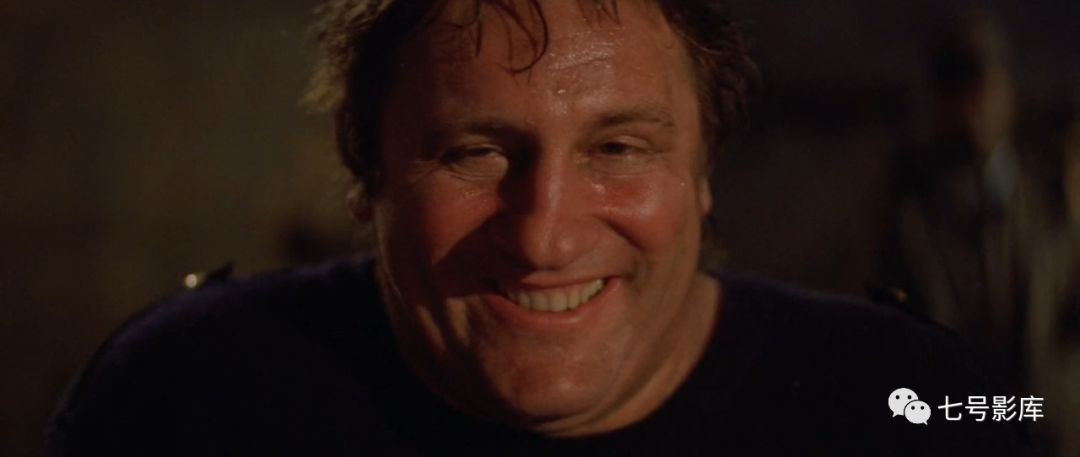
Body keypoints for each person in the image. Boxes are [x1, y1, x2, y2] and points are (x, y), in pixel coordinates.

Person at [47, 1, 1028, 455]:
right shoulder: (185, 402)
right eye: (474, 152)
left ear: (703, 172)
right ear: (366, 171)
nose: (544, 237)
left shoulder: (911, 405)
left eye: (619, 147)